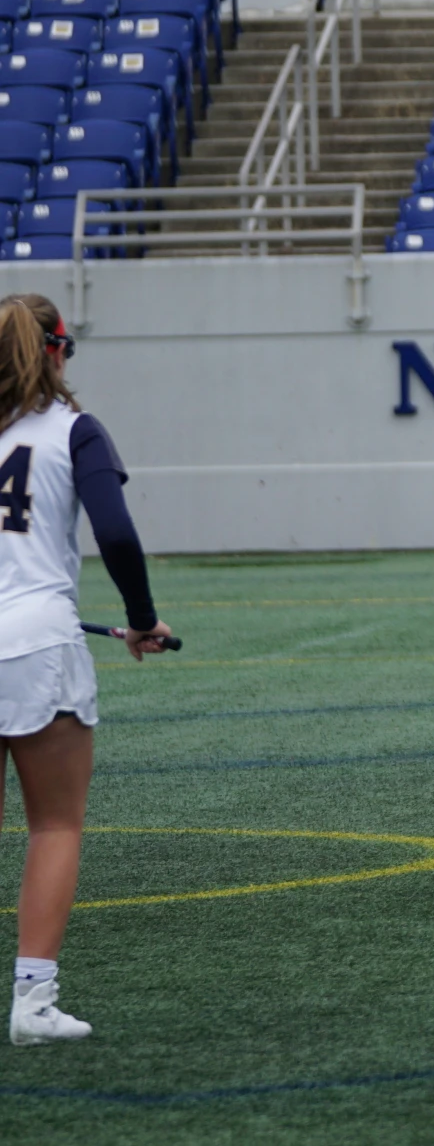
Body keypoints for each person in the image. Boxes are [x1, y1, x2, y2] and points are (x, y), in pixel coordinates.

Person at [0, 294, 173, 1046]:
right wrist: (140, 618)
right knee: (55, 824)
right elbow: (117, 534)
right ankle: (33, 1004)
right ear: (58, 351)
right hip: (39, 645)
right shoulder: (77, 430)